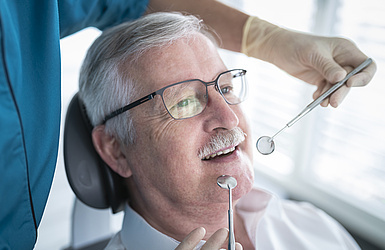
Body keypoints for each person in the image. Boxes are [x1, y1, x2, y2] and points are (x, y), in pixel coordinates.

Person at [0, 1, 376, 249]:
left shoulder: (310, 226)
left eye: (226, 88)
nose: (229, 119)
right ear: (116, 148)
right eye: (183, 101)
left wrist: (266, 36)